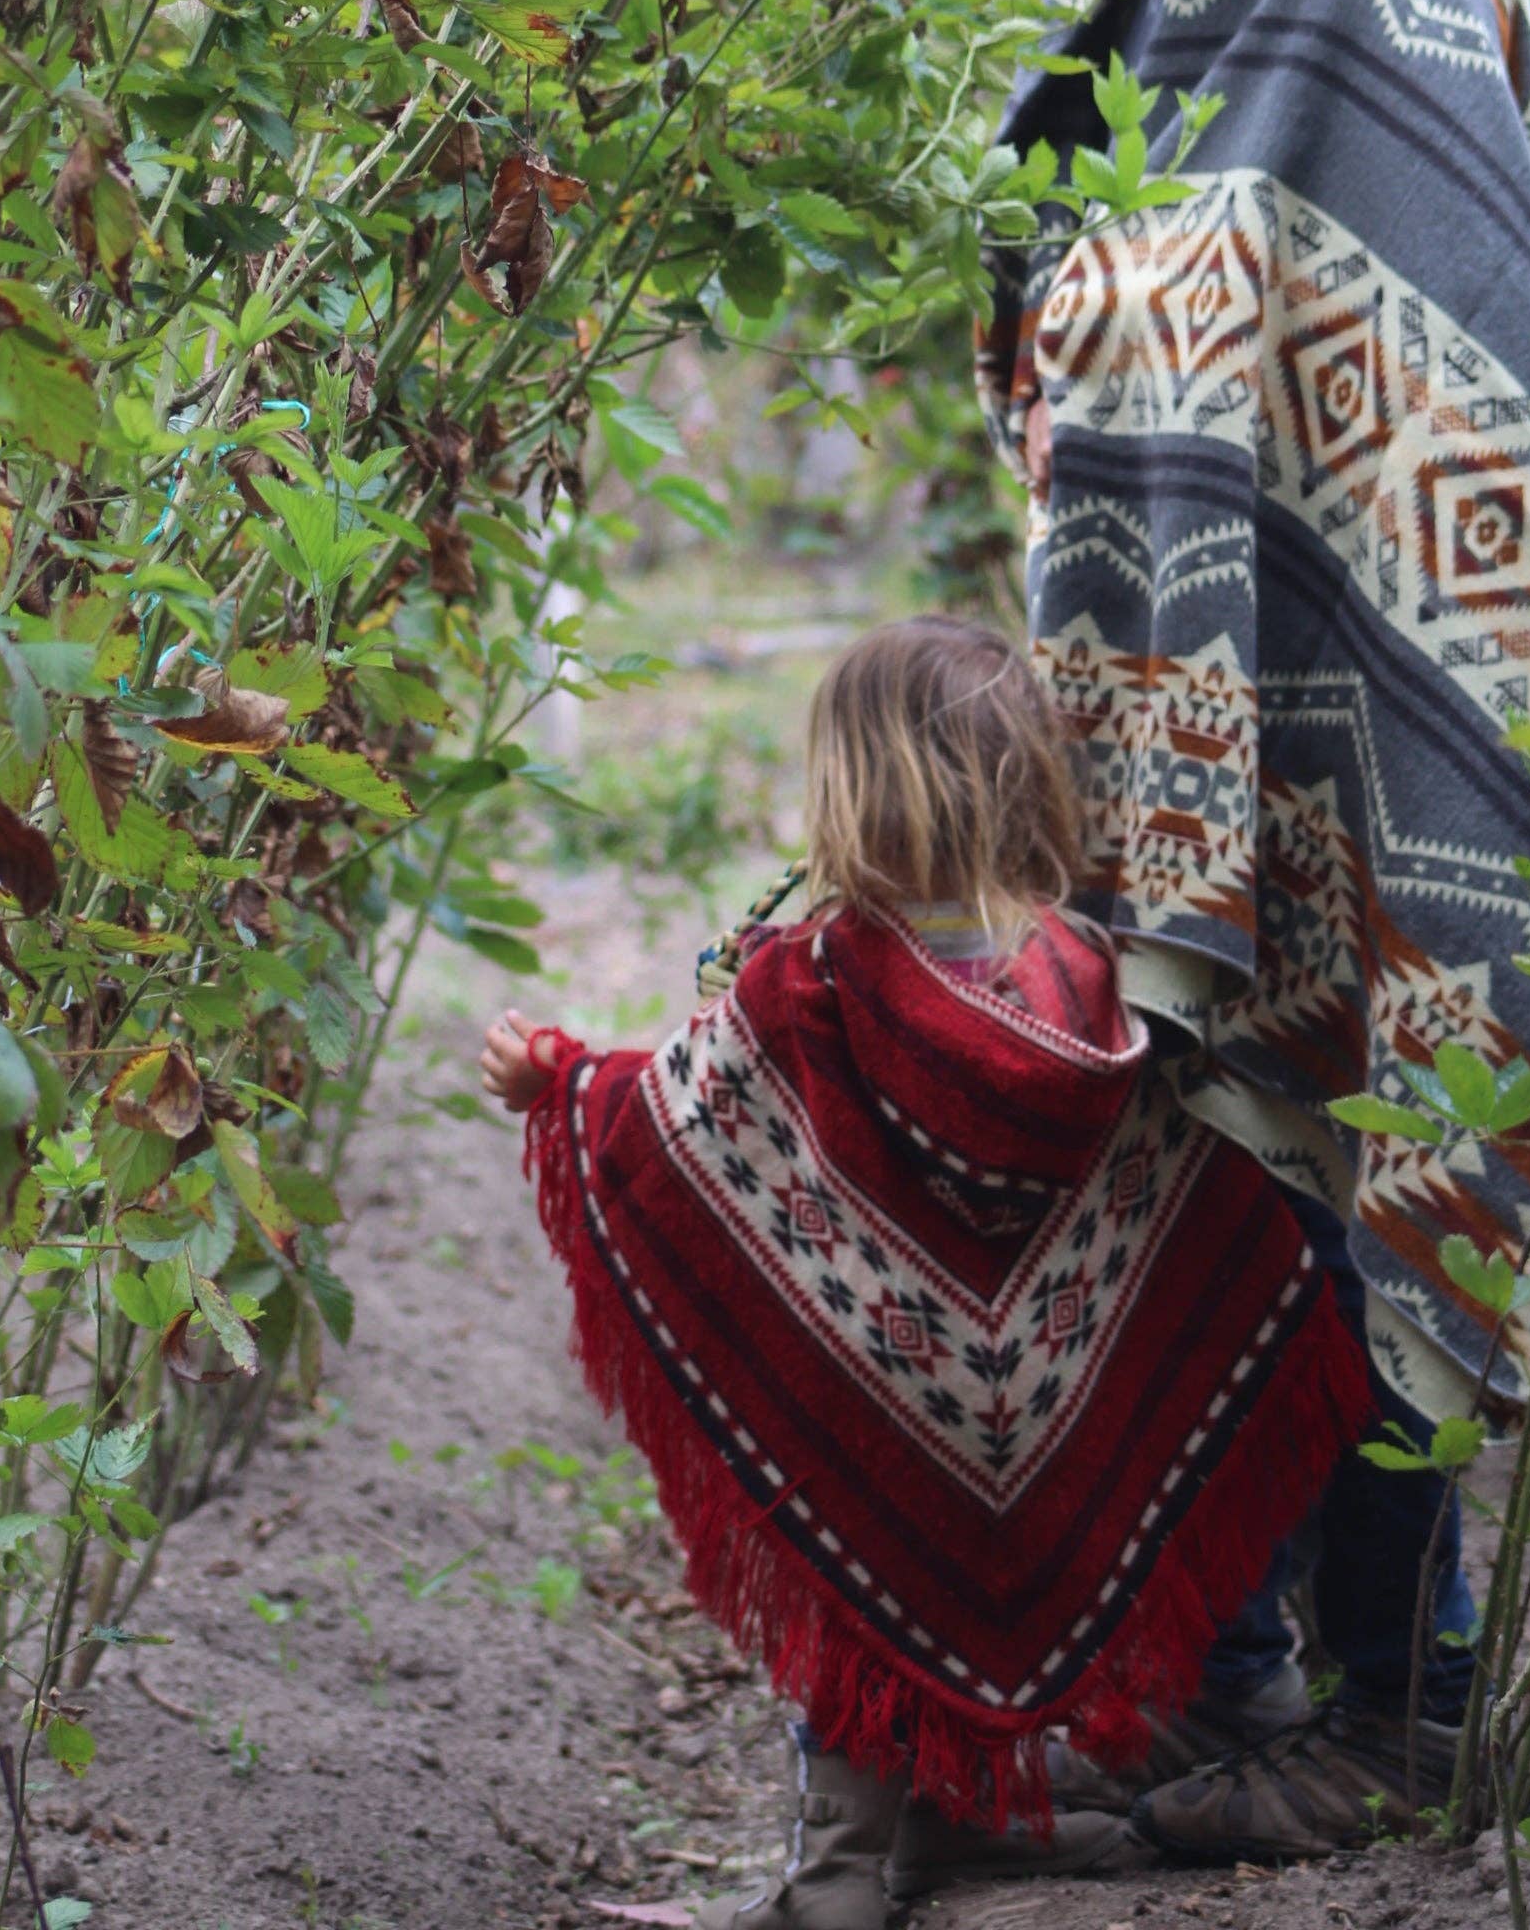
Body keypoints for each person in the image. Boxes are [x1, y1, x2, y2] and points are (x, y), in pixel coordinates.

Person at [945, 0, 1530, 1864]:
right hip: (1273, 622)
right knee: (1246, 1150)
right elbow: (1112, 232)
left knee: (1374, 1144)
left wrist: (1091, 286)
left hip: (1403, 622)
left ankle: (1398, 1701)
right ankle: (1239, 1679)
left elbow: (1241, 260)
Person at [483, 615, 1369, 1927]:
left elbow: (682, 1117)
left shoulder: (813, 976)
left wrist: (557, 1075)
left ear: (851, 787)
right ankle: (964, 1824)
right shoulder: (1090, 971)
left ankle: (833, 1887)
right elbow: (1180, 1173)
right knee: (951, 1568)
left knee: (858, 1585)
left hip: (874, 1362)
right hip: (1051, 1398)